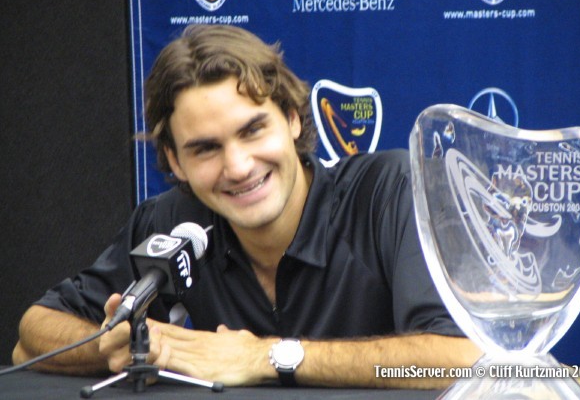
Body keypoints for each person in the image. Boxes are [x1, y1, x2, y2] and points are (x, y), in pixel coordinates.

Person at [12, 24, 481, 388]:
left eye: (253, 130)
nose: (237, 167)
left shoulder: (388, 191)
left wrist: (264, 357)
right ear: (175, 161)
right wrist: (124, 346)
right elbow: (32, 333)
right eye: (205, 149)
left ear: (293, 119)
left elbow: (463, 359)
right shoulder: (172, 219)